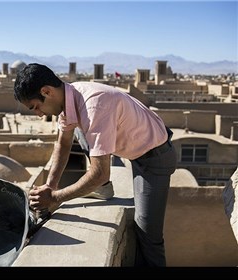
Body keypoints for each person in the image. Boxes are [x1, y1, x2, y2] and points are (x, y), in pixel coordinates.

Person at [14, 63, 177, 266]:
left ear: (46, 91)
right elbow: (63, 144)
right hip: (133, 149)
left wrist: (55, 198)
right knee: (80, 129)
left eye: (36, 107)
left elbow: (100, 172)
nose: (38, 114)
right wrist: (50, 186)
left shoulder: (94, 105)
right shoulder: (69, 99)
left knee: (147, 233)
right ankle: (102, 189)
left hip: (154, 157)